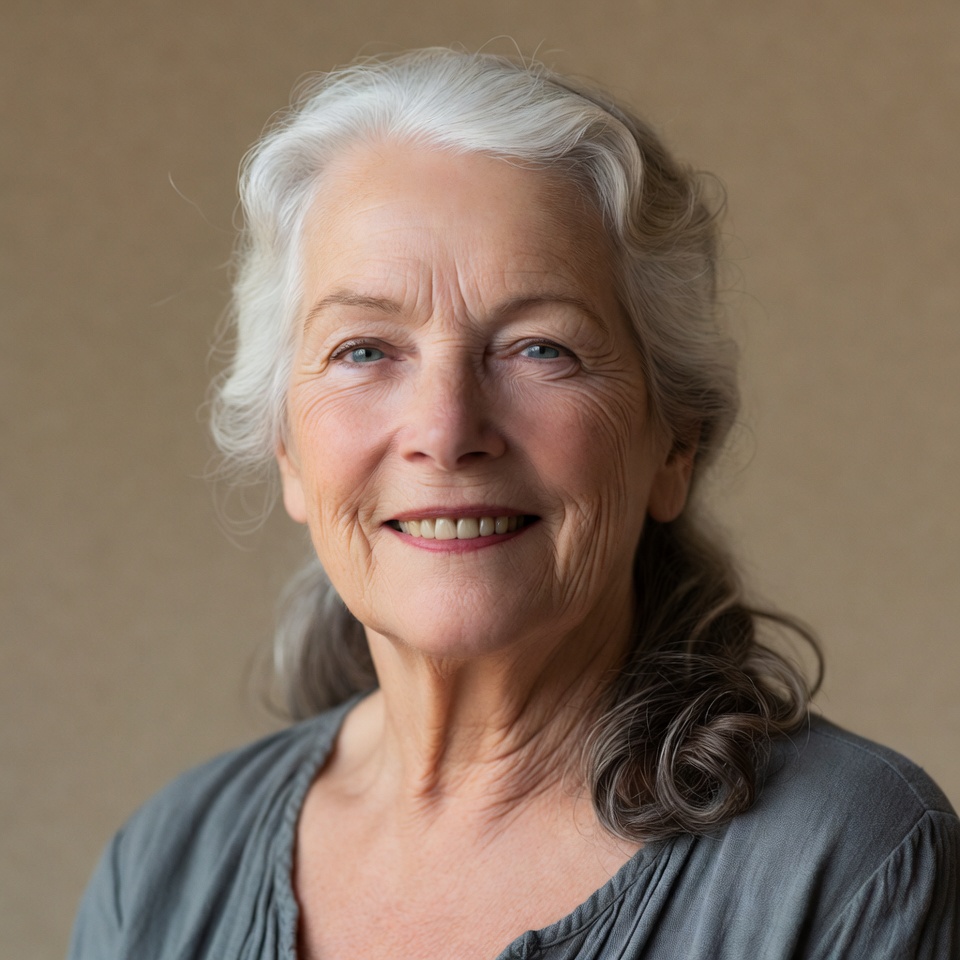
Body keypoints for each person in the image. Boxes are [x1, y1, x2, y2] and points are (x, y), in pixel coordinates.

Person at [68, 48, 959, 959]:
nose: (447, 430)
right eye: (365, 350)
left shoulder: (849, 863)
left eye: (541, 349)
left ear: (674, 443)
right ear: (289, 448)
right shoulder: (160, 871)